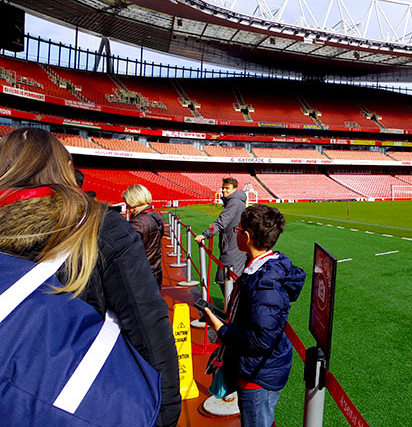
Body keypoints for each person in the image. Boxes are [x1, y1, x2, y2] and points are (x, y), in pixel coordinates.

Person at [0, 128, 180, 427]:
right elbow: (147, 322)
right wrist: (165, 414)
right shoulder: (99, 226)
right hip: (79, 400)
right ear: (65, 167)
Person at [204, 204, 306, 427]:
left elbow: (261, 339)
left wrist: (221, 328)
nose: (236, 233)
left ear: (247, 236)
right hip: (255, 368)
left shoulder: (265, 284)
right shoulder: (260, 270)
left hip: (258, 375)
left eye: (238, 230)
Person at [195, 177, 247, 280]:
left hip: (233, 245)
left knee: (225, 278)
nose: (224, 190)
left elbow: (220, 222)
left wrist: (205, 234)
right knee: (232, 277)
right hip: (235, 243)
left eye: (227, 188)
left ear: (234, 189)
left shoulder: (234, 202)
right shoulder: (235, 201)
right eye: (223, 188)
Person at [123, 183, 165, 288]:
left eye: (127, 203)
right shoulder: (155, 215)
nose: (127, 207)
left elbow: (126, 251)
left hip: (141, 275)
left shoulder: (138, 223)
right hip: (155, 271)